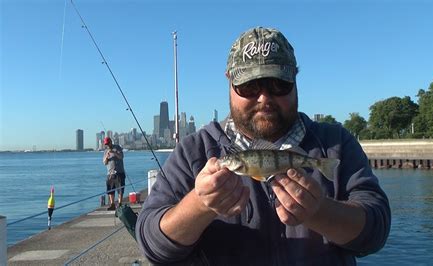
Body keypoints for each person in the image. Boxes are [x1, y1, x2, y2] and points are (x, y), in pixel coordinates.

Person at [136, 27, 391, 265]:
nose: (264, 98)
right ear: (229, 82)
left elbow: (376, 230)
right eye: (249, 86)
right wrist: (200, 205)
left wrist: (320, 211)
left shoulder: (336, 143)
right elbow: (152, 244)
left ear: (295, 80)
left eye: (278, 84)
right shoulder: (195, 151)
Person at [102, 136, 126, 211]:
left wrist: (114, 153)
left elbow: (121, 157)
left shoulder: (117, 148)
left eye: (108, 143)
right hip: (110, 173)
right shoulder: (106, 151)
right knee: (110, 190)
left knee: (120, 189)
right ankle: (112, 204)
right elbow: (104, 163)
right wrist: (106, 157)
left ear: (111, 142)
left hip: (119, 172)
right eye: (106, 144)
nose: (107, 145)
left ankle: (120, 204)